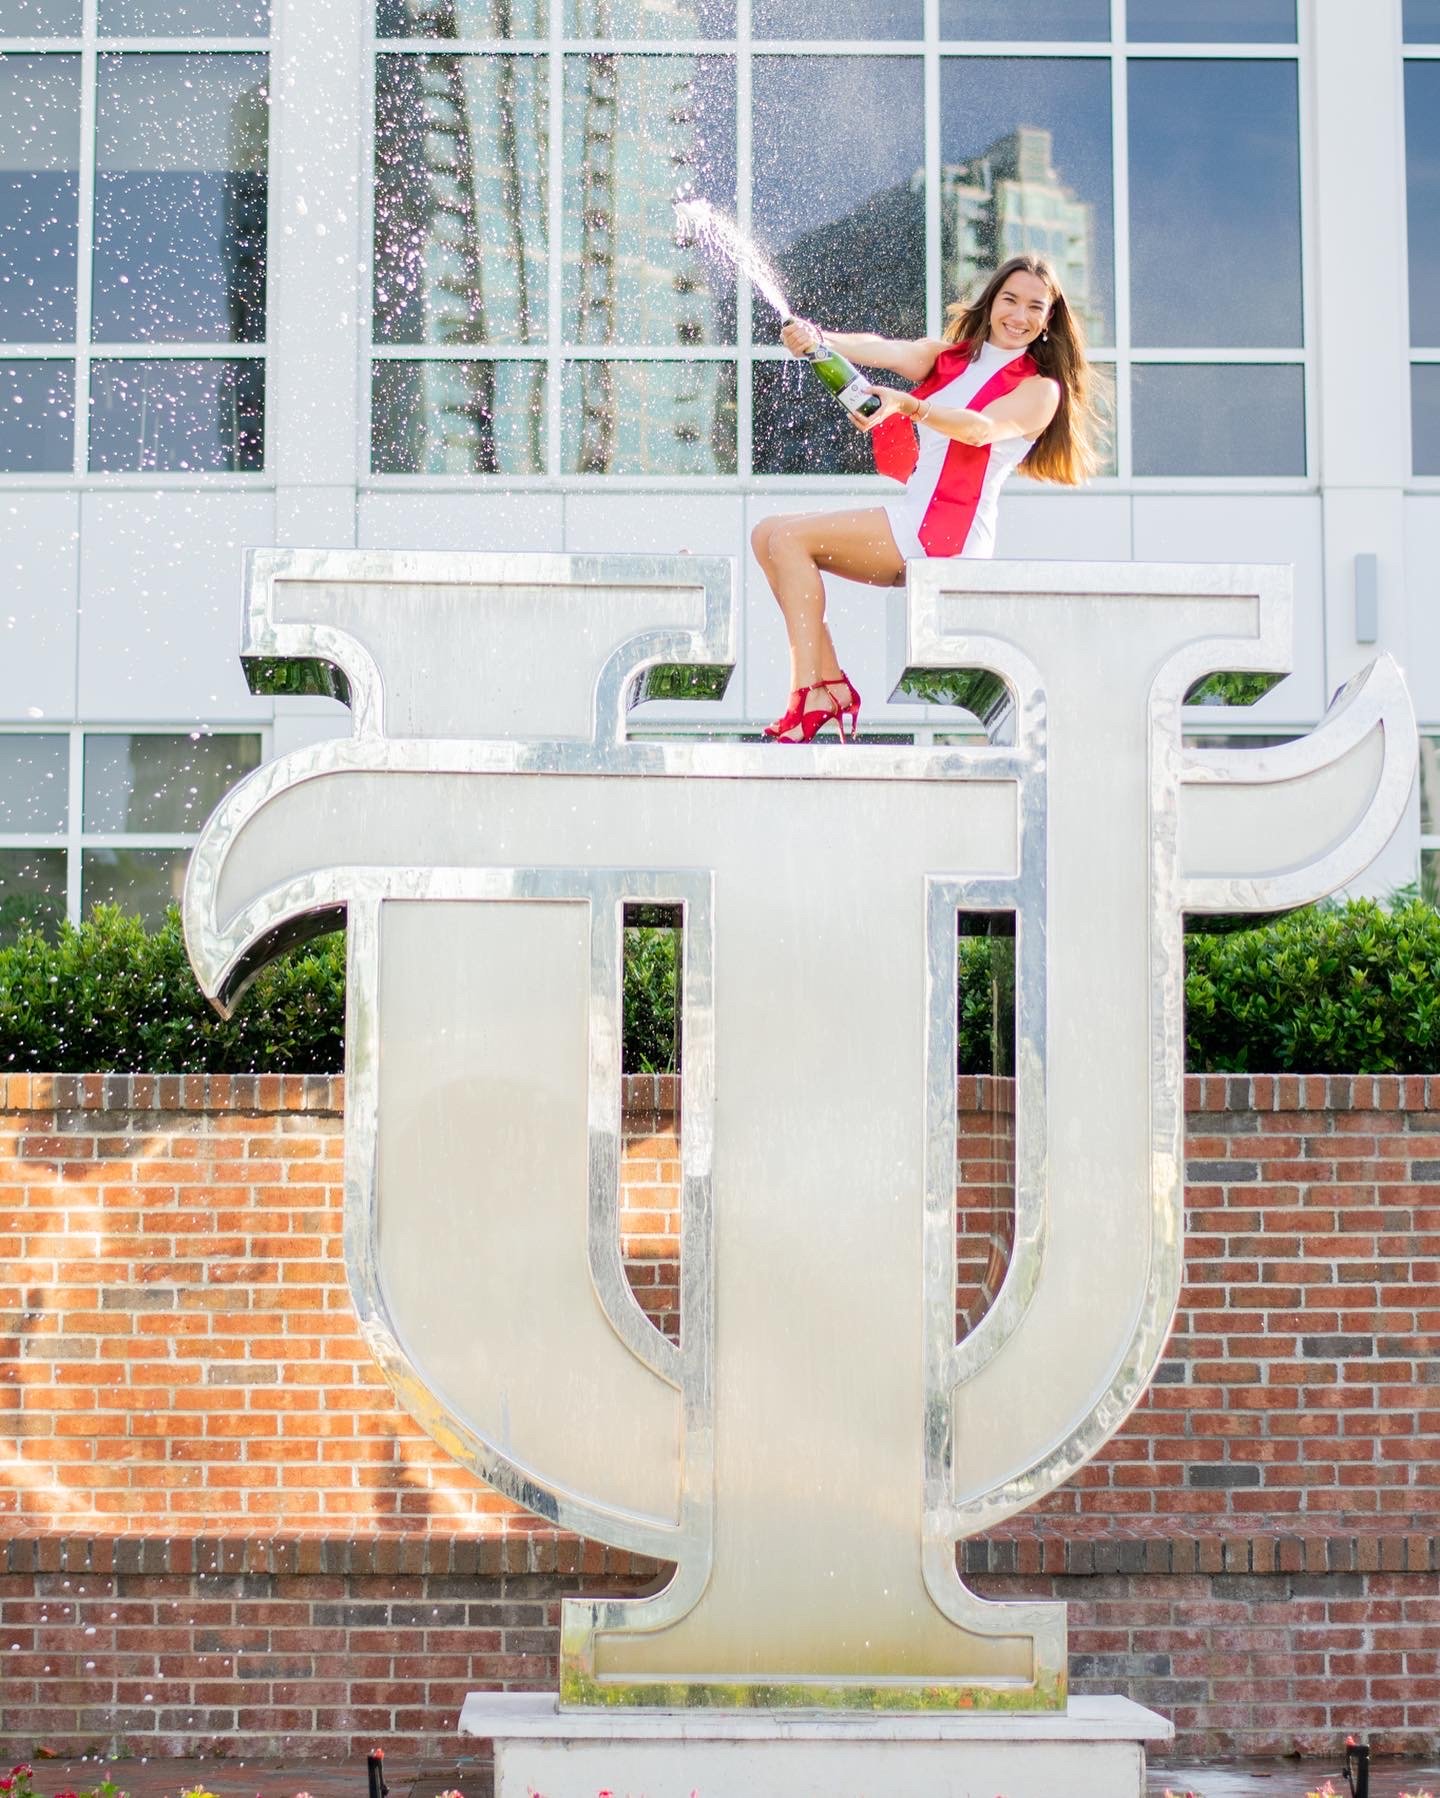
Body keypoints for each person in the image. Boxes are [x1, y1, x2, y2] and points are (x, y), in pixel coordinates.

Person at [751, 252, 1099, 743]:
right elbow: (884, 349)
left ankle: (810, 692)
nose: (1019, 316)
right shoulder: (949, 358)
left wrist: (909, 405)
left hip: (947, 534)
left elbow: (979, 431)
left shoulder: (1041, 390)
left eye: (1035, 307)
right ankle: (826, 688)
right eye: (1010, 300)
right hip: (915, 519)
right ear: (991, 301)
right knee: (765, 534)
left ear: (1050, 318)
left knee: (787, 539)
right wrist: (818, 340)